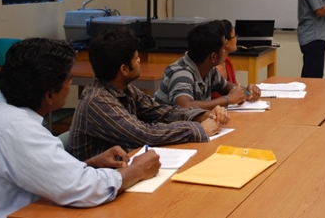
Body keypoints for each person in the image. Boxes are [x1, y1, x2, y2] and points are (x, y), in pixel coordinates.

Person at [0, 38, 160, 217]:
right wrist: (137, 170)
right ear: (50, 94)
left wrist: (89, 164)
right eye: (69, 81)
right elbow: (83, 188)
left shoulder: (2, 112)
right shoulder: (18, 129)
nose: (70, 86)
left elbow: (42, 172)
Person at [68, 29, 226, 162]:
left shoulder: (125, 89)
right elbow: (144, 134)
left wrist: (202, 115)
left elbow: (160, 111)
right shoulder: (98, 101)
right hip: (98, 184)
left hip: (120, 169)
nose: (139, 61)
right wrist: (198, 129)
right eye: (136, 58)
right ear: (124, 69)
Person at [154, 20, 260, 109]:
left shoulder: (208, 69)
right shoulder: (182, 73)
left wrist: (245, 92)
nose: (225, 52)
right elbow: (185, 106)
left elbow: (226, 87)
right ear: (213, 57)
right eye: (223, 48)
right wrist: (228, 99)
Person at [212, 19, 239, 99]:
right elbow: (215, 98)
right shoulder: (212, 69)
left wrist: (247, 91)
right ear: (226, 42)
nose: (236, 39)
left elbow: (235, 88)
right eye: (234, 36)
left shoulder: (227, 61)